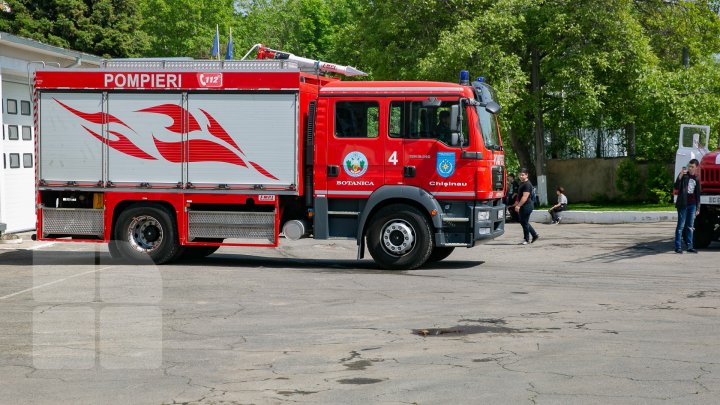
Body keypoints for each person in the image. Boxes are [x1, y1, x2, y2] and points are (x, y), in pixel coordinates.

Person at [673, 159, 701, 253]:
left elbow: (697, 195)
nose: (690, 168)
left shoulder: (696, 178)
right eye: (689, 166)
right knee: (680, 226)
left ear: (696, 168)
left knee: (690, 226)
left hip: (692, 205)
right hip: (683, 204)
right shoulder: (684, 176)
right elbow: (676, 186)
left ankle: (690, 246)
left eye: (692, 167)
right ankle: (678, 247)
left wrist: (698, 208)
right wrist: (680, 176)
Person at [514, 168, 539, 245]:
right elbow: (520, 195)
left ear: (527, 175)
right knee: (524, 222)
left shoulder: (527, 184)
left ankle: (526, 239)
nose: (521, 176)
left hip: (527, 206)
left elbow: (525, 197)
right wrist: (517, 202)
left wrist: (518, 206)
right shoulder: (522, 183)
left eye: (523, 175)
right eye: (520, 175)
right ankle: (534, 235)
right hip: (524, 205)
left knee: (524, 222)